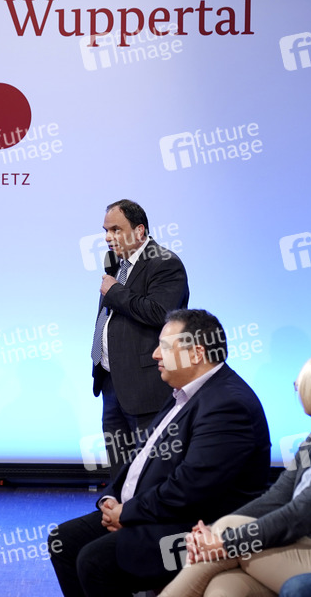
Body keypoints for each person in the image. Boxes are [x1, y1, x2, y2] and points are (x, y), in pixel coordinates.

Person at [52, 309, 270, 596]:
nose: (155, 354)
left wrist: (128, 513)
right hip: (154, 512)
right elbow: (141, 458)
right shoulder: (185, 392)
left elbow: (191, 488)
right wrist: (111, 499)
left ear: (196, 354)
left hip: (197, 528)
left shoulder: (228, 404)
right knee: (63, 541)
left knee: (96, 561)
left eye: (164, 347)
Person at [157, 352, 311, 597]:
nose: (297, 389)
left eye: (301, 383)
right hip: (305, 546)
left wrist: (222, 542)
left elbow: (298, 516)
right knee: (226, 587)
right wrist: (211, 533)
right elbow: (276, 498)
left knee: (229, 531)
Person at [90, 199, 189, 477]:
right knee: (119, 470)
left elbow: (160, 313)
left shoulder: (165, 263)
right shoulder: (116, 264)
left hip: (146, 388)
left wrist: (115, 292)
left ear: (140, 230)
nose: (108, 237)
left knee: (150, 472)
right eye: (106, 231)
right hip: (111, 383)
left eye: (116, 230)